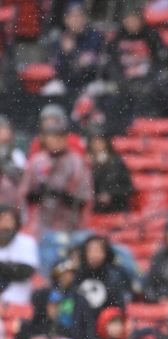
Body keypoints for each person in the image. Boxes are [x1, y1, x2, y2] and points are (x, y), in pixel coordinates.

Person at [20, 113, 92, 273]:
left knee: (65, 270)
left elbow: (84, 198)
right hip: (41, 226)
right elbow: (25, 194)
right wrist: (39, 192)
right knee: (44, 270)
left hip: (69, 226)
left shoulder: (76, 162)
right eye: (51, 136)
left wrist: (63, 195)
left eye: (59, 136)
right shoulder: (37, 161)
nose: (55, 140)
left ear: (66, 138)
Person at [74, 234, 132, 320]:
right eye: (90, 250)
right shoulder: (77, 275)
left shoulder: (115, 276)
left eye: (98, 250)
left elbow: (119, 308)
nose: (94, 255)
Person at [51, 3, 103, 94]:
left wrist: (73, 53)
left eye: (80, 15)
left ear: (85, 18)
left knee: (99, 89)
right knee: (51, 90)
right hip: (65, 85)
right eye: (73, 16)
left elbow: (100, 66)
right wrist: (68, 55)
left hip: (89, 84)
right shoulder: (59, 40)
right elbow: (58, 69)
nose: (77, 19)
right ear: (66, 20)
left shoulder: (95, 37)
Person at [0, 205, 38, 305]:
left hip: (17, 302)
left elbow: (26, 272)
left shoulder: (26, 242)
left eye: (9, 220)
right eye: (2, 219)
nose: (5, 224)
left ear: (16, 223)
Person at [87, 131, 133, 214]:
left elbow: (128, 187)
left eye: (99, 141)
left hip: (115, 208)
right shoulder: (85, 163)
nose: (97, 145)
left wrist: (110, 195)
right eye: (94, 142)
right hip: (93, 210)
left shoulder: (116, 163)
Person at [0, 115, 26, 206]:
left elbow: (23, 176)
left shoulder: (16, 153)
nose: (5, 132)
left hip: (11, 200)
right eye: (2, 129)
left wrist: (4, 165)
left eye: (6, 129)